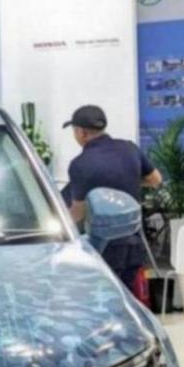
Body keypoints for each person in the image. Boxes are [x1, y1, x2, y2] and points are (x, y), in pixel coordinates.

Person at [62, 104, 162, 296]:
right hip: (134, 240)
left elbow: (78, 212)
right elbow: (156, 180)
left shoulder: (80, 164)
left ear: (82, 132)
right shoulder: (130, 148)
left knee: (104, 297)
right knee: (129, 296)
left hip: (103, 247)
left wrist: (58, 225)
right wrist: (128, 180)